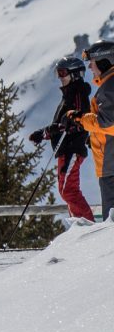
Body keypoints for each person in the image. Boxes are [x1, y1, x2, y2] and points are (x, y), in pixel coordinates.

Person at [31, 56, 95, 222]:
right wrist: (44, 133)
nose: (60, 77)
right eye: (58, 72)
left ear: (74, 74)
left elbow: (81, 121)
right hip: (64, 149)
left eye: (63, 72)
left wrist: (69, 125)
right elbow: (60, 125)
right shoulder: (68, 95)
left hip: (72, 148)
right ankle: (78, 226)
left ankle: (89, 227)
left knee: (69, 190)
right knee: (65, 190)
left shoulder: (78, 93)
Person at [71, 43, 114, 221]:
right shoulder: (108, 86)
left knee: (111, 224)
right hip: (109, 163)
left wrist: (82, 119)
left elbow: (108, 123)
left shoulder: (109, 87)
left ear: (105, 61)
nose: (90, 66)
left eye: (93, 61)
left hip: (111, 167)